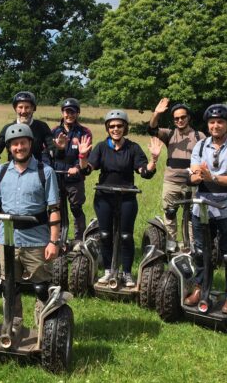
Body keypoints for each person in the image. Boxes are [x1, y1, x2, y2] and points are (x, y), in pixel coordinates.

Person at [0, 123, 60, 328]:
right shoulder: (1, 172)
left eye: (23, 143)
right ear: (9, 147)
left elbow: (54, 209)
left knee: (40, 288)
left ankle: (45, 327)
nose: (19, 147)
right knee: (10, 286)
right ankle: (13, 324)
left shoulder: (45, 172)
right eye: (15, 144)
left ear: (30, 144)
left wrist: (53, 241)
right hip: (7, 239)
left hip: (36, 239)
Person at [78, 110, 163, 287]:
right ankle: (108, 270)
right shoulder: (101, 147)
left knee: (126, 236)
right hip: (104, 196)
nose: (115, 129)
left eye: (119, 126)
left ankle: (126, 273)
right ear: (107, 128)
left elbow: (144, 172)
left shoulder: (133, 148)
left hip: (126, 198)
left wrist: (153, 160)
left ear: (125, 127)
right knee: (105, 234)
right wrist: (83, 157)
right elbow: (87, 170)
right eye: (112, 126)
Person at [185, 104, 227, 315]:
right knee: (200, 251)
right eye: (212, 122)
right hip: (202, 207)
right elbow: (194, 176)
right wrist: (197, 176)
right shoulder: (200, 145)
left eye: (220, 122)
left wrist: (212, 177)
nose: (216, 126)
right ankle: (199, 288)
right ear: (208, 124)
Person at [148, 98, 206, 252]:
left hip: (193, 183)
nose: (180, 120)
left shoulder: (200, 136)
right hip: (172, 181)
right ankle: (171, 245)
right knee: (170, 213)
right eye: (176, 118)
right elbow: (152, 129)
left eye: (183, 117)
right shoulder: (169, 133)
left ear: (188, 118)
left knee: (193, 216)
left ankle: (191, 245)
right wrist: (157, 114)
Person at [51, 97, 93, 241]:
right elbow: (50, 154)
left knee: (76, 208)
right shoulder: (54, 131)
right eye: (67, 112)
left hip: (74, 179)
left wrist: (76, 168)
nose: (69, 115)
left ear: (78, 113)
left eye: (73, 112)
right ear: (62, 113)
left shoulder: (84, 132)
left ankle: (79, 239)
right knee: (57, 208)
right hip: (57, 176)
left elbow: (85, 154)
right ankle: (58, 239)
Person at [0, 91, 56, 165]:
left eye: (27, 107)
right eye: (20, 107)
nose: (23, 111)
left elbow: (53, 150)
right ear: (15, 109)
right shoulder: (8, 128)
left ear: (33, 109)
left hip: (36, 172)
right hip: (14, 173)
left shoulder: (42, 126)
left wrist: (59, 148)